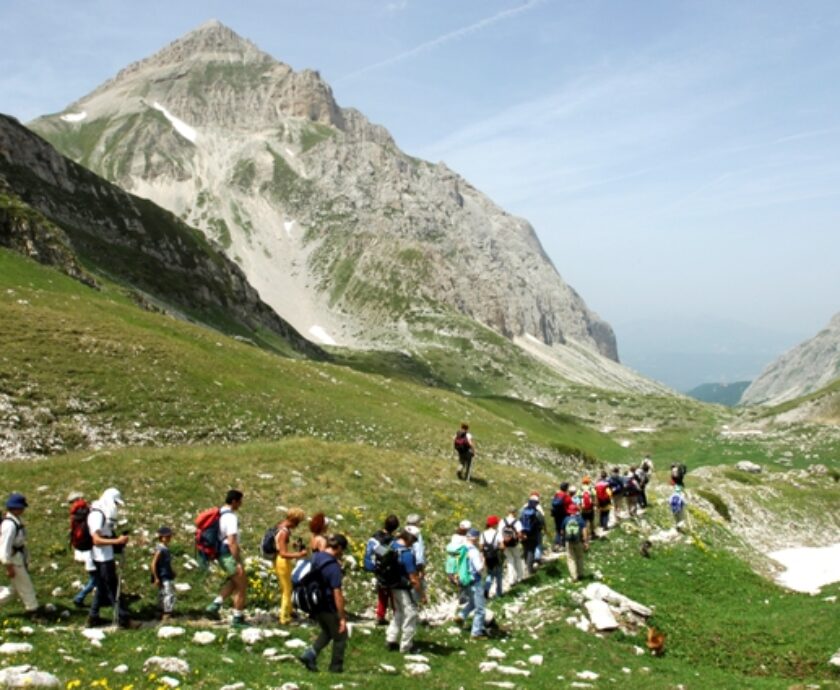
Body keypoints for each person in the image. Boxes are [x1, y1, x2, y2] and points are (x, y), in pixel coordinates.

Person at [298, 534, 350, 674]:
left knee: (327, 631)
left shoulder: (317, 556)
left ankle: (309, 655)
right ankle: (336, 668)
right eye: (342, 550)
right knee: (341, 635)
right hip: (328, 604)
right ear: (338, 547)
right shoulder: (333, 567)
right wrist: (342, 617)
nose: (342, 553)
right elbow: (337, 593)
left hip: (314, 603)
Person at [87, 488, 135, 628]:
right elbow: (96, 540)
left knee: (102, 587)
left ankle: (93, 617)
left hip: (105, 555)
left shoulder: (102, 513)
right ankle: (124, 619)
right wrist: (117, 542)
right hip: (101, 557)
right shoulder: (97, 514)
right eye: (116, 503)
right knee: (113, 588)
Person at [206, 489, 248, 627]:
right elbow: (232, 541)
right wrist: (237, 562)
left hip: (221, 553)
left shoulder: (220, 514)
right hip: (228, 554)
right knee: (242, 585)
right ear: (234, 501)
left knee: (234, 581)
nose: (241, 504)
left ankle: (215, 604)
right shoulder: (231, 517)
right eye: (240, 501)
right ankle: (237, 618)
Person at [0, 493, 40, 620]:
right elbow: (4, 547)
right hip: (14, 560)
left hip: (18, 558)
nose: (23, 510)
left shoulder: (15, 521)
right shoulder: (10, 525)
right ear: (16, 508)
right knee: (27, 587)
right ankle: (33, 611)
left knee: (15, 589)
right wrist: (8, 566)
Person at [386, 530, 426, 653]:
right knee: (411, 614)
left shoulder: (392, 545)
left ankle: (391, 639)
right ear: (409, 538)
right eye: (413, 541)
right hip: (404, 588)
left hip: (392, 585)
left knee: (399, 612)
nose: (413, 544)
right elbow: (413, 578)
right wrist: (422, 594)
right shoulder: (407, 554)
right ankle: (406, 646)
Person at [364, 514, 400, 626]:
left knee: (382, 594)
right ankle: (397, 617)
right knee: (394, 595)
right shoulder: (392, 541)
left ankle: (380, 616)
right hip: (391, 570)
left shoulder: (375, 536)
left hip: (378, 569)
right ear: (395, 528)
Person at [274, 507, 307, 625]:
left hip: (279, 561)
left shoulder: (280, 526)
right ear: (294, 520)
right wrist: (299, 554)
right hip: (282, 562)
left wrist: (290, 545)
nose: (297, 525)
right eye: (298, 522)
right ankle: (284, 618)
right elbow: (283, 553)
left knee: (287, 587)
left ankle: (289, 610)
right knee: (287, 589)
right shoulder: (284, 532)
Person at [68, 491, 96, 608]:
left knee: (95, 577)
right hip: (90, 550)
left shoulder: (75, 516)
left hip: (81, 549)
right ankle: (80, 597)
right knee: (95, 578)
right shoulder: (88, 513)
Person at [459, 528, 488, 639]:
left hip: (464, 580)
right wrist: (483, 559)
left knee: (472, 602)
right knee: (480, 609)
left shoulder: (462, 548)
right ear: (475, 538)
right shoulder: (474, 551)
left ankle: (461, 615)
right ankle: (476, 632)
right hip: (475, 580)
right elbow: (479, 568)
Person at [151, 526, 176, 621]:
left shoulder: (164, 548)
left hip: (166, 574)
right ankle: (167, 613)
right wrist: (156, 577)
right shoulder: (161, 549)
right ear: (162, 537)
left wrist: (172, 571)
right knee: (168, 594)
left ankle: (159, 612)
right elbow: (153, 564)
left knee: (162, 594)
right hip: (163, 575)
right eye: (167, 537)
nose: (169, 538)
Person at [562, 504, 589, 581]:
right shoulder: (580, 519)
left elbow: (562, 531)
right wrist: (585, 542)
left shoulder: (566, 519)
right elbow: (584, 531)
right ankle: (581, 574)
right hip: (578, 541)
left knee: (571, 558)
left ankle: (574, 577)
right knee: (579, 557)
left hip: (569, 542)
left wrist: (564, 539)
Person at [519, 494, 544, 574]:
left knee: (525, 549)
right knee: (531, 550)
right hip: (533, 534)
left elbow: (519, 520)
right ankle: (530, 569)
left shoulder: (522, 511)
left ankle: (526, 564)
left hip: (523, 533)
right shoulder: (537, 513)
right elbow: (541, 522)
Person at [500, 508, 524, 587]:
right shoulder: (517, 522)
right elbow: (520, 534)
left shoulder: (502, 521)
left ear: (508, 512)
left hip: (505, 544)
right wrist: (522, 537)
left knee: (510, 560)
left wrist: (502, 543)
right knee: (517, 559)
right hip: (514, 544)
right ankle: (519, 577)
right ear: (514, 513)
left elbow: (499, 533)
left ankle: (511, 580)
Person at [481, 516, 503, 599]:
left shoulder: (483, 534)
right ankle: (499, 594)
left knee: (489, 574)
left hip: (487, 558)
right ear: (494, 524)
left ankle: (486, 590)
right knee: (499, 575)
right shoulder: (497, 533)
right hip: (496, 557)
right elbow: (502, 546)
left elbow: (481, 547)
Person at [550, 483, 571, 551]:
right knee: (564, 529)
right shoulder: (566, 495)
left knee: (558, 530)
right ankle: (562, 545)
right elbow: (569, 504)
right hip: (564, 514)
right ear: (566, 488)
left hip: (556, 515)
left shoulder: (557, 494)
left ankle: (556, 545)